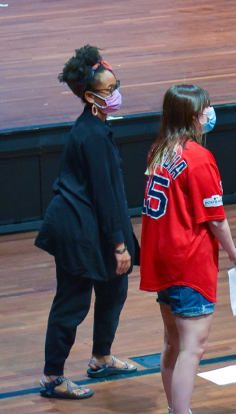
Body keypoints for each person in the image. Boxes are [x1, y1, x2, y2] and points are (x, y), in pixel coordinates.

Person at [35, 45, 139, 400]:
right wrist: (120, 245)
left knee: (114, 288)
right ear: (91, 97)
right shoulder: (91, 135)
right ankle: (52, 377)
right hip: (75, 230)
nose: (117, 94)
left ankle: (101, 357)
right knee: (72, 302)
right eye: (110, 90)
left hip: (88, 223)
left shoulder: (95, 126)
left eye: (116, 85)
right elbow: (104, 196)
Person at [139, 85, 236, 414]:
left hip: (162, 260)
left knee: (173, 342)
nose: (209, 113)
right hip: (187, 263)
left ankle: (176, 408)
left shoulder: (159, 150)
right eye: (205, 108)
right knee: (192, 346)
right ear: (191, 116)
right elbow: (215, 220)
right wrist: (235, 254)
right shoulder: (199, 158)